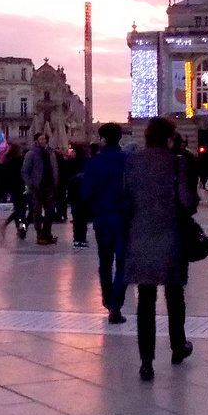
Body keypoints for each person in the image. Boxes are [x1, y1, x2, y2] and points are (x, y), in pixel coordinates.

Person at [123, 116, 198, 381]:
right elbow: (188, 201)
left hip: (140, 235)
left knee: (145, 300)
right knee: (175, 295)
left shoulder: (131, 162)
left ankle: (146, 361)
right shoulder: (178, 163)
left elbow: (126, 198)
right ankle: (178, 346)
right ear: (170, 137)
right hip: (172, 236)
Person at [81, 122, 130, 323]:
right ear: (120, 138)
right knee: (123, 263)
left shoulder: (94, 162)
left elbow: (86, 192)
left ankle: (108, 300)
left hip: (102, 218)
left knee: (105, 262)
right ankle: (116, 304)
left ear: (102, 139)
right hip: (124, 218)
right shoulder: (127, 161)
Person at [22, 132, 59, 245]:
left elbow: (54, 167)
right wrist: (30, 183)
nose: (43, 141)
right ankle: (40, 234)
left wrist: (56, 179)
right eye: (41, 139)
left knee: (50, 211)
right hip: (37, 186)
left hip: (49, 186)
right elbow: (25, 171)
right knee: (37, 212)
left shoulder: (50, 153)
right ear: (36, 140)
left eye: (44, 139)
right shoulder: (31, 154)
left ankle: (47, 233)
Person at [66, 145, 90, 247]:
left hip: (74, 193)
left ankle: (77, 238)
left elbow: (67, 176)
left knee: (76, 217)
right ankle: (82, 238)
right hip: (84, 193)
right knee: (83, 217)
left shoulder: (70, 162)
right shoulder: (87, 162)